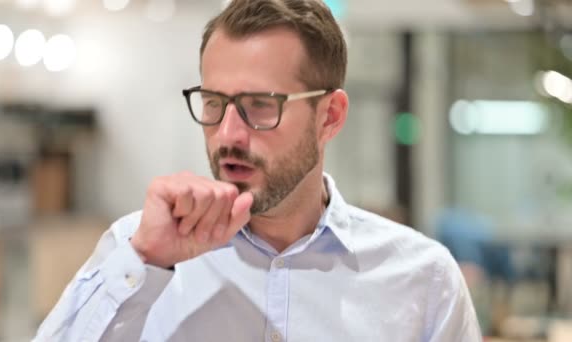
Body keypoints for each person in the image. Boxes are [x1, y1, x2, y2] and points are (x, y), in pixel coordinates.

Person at [34, 0, 481, 341]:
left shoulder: (423, 281)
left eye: (260, 106)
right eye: (213, 103)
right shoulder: (136, 252)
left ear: (330, 116)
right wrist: (144, 262)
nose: (228, 133)